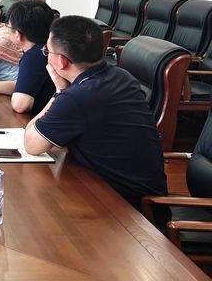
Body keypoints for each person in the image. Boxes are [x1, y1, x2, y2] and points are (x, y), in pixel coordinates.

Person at [23, 15, 167, 210]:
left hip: (125, 210)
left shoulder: (77, 97)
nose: (45, 55)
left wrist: (60, 91)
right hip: (136, 195)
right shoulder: (122, 76)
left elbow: (32, 144)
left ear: (62, 61)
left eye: (47, 51)